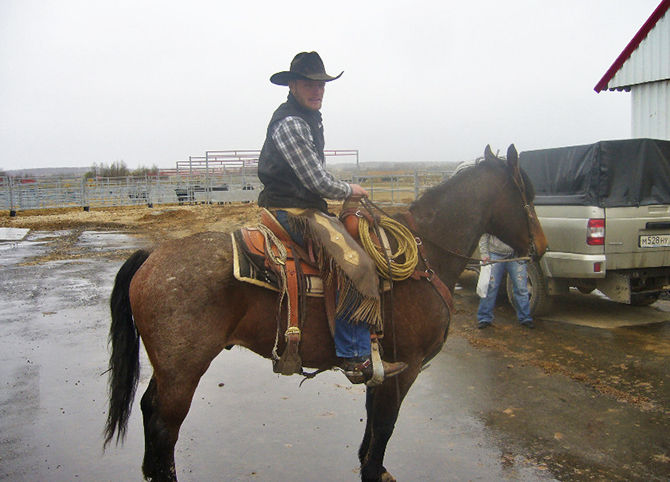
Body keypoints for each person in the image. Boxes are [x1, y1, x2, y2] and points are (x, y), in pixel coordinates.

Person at [257, 51, 407, 383]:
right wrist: (349, 189)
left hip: (302, 206)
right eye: (310, 84)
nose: (318, 91)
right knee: (356, 264)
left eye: (322, 85)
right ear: (293, 85)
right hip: (292, 210)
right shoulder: (292, 123)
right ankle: (354, 357)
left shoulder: (307, 119)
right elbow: (316, 181)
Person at [477, 233, 534, 329]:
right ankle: (484, 318)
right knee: (490, 287)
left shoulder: (519, 218)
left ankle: (525, 318)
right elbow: (484, 234)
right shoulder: (495, 218)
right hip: (494, 253)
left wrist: (527, 250)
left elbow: (528, 232)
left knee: (521, 288)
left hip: (516, 254)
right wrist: (484, 253)